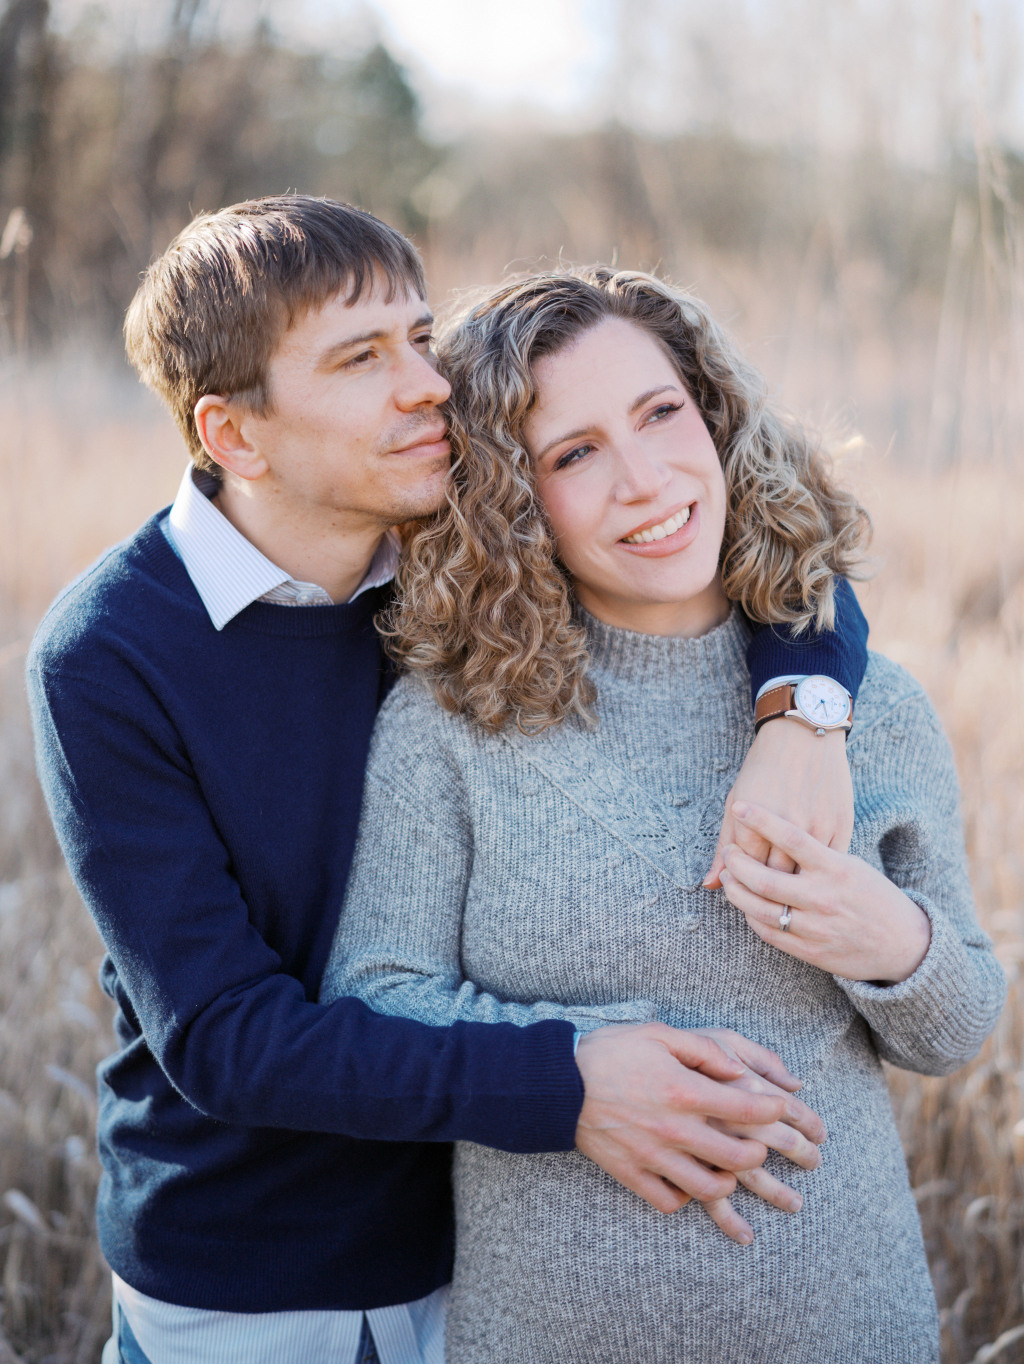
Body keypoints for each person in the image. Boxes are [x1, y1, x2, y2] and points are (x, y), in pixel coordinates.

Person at [28, 198, 867, 1364]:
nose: (428, 383)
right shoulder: (112, 653)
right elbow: (228, 1036)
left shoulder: (454, 548)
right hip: (256, 1278)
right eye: (362, 358)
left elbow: (759, 545)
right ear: (235, 435)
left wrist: (801, 712)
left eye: (419, 337)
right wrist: (566, 1083)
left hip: (487, 1246)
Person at [320, 266, 1007, 1363]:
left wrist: (890, 941)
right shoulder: (450, 723)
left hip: (846, 1326)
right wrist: (580, 1069)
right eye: (573, 452)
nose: (644, 480)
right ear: (511, 495)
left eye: (659, 414)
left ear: (716, 418)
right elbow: (373, 995)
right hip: (548, 1335)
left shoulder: (867, 709)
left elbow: (958, 1020)